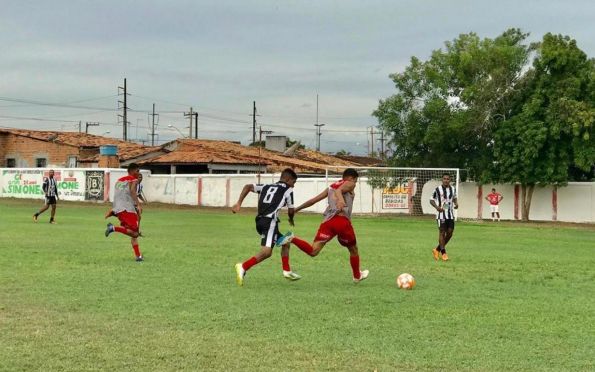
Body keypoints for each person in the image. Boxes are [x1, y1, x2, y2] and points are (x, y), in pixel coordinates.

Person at [276, 168, 369, 283]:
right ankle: (356, 276)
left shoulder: (330, 187)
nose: (355, 184)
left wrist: (297, 209)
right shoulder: (350, 183)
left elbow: (313, 200)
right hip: (341, 221)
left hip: (328, 222)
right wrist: (340, 201)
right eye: (355, 181)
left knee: (313, 251)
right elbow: (339, 191)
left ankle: (292, 238)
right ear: (351, 178)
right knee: (353, 250)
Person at [232, 168, 301, 286]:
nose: (293, 186)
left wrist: (238, 203)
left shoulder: (266, 186)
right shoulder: (288, 190)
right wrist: (291, 219)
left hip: (259, 221)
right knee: (267, 252)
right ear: (288, 179)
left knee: (286, 242)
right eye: (293, 182)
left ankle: (287, 271)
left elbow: (248, 186)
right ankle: (243, 266)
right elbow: (291, 210)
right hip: (270, 222)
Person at [104, 163, 144, 262]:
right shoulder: (132, 179)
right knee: (135, 233)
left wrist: (115, 210)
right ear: (132, 171)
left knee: (133, 232)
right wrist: (138, 205)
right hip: (127, 208)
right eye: (137, 171)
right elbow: (132, 191)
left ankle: (138, 256)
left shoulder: (119, 181)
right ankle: (113, 228)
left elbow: (120, 194)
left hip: (119, 208)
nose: (138, 173)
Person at [430, 173, 458, 261]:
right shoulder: (438, 189)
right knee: (442, 232)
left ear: (450, 180)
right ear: (442, 180)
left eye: (448, 179)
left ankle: (436, 249)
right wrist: (437, 207)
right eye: (444, 179)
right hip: (441, 215)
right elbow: (431, 200)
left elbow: (454, 198)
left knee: (450, 233)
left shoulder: (453, 189)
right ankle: (444, 253)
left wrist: (456, 203)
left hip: (450, 214)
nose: (446, 180)